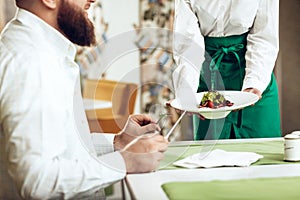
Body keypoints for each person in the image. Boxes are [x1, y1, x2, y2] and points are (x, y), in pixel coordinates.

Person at [0, 0, 168, 199]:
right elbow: (37, 180)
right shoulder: (31, 63)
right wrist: (125, 162)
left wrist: (117, 142)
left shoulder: (40, 50)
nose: (93, 0)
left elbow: (63, 148)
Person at [172, 0, 281, 140]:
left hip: (256, 76)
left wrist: (254, 84)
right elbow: (188, 45)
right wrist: (186, 90)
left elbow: (264, 38)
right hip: (209, 79)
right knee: (210, 157)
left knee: (265, 154)